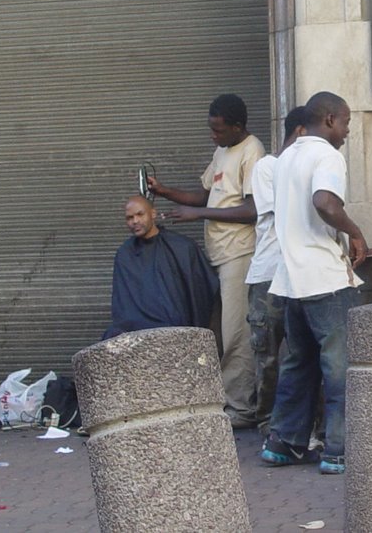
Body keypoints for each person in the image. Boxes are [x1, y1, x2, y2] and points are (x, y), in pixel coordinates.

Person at [260, 91, 369, 476]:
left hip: (290, 280)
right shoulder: (326, 155)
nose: (347, 132)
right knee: (340, 368)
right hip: (323, 278)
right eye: (346, 123)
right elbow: (325, 202)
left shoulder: (286, 156)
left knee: (298, 364)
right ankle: (337, 451)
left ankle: (282, 443)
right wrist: (356, 234)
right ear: (328, 121)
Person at [147, 93, 265, 428]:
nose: (212, 135)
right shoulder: (223, 150)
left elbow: (251, 210)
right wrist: (166, 192)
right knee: (216, 331)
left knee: (236, 333)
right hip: (218, 253)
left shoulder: (252, 151)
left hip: (240, 253)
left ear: (237, 126)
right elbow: (206, 194)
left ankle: (240, 407)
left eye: (218, 130)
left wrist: (196, 213)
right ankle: (226, 399)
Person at [245, 105, 309, 436]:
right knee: (268, 356)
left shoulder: (310, 169)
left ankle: (294, 423)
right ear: (300, 132)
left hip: (300, 274)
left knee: (299, 354)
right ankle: (267, 421)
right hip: (269, 274)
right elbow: (285, 212)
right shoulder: (268, 167)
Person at [103, 195, 218, 340]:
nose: (135, 221)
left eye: (140, 214)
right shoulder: (125, 254)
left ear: (153, 214)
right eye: (129, 218)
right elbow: (122, 304)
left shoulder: (181, 246)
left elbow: (202, 291)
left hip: (174, 325)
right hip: (136, 329)